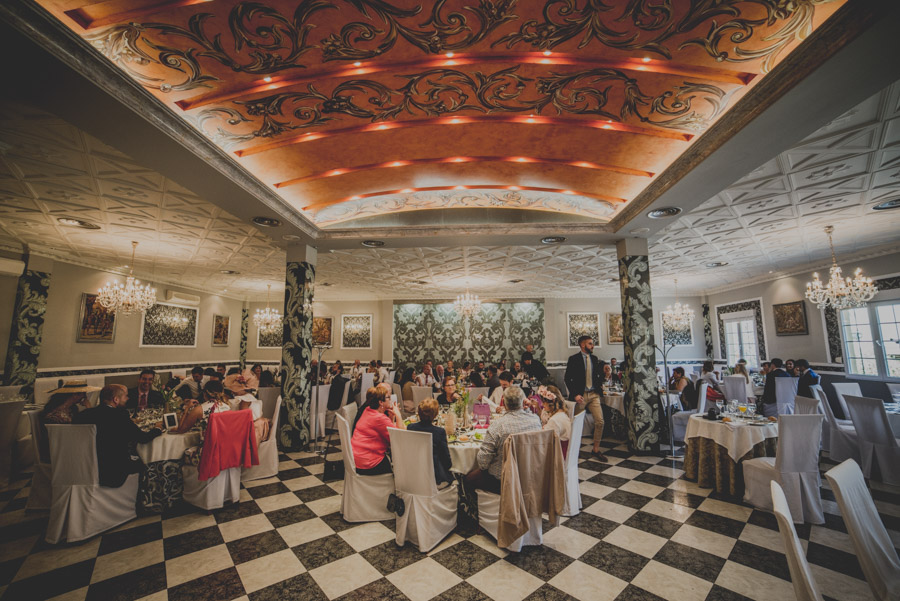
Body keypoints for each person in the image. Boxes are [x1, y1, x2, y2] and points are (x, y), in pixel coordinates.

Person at [74, 384, 161, 487]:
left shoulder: (83, 415)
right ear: (116, 399)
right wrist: (157, 429)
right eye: (125, 396)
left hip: (84, 469)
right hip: (113, 472)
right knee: (147, 464)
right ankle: (142, 500)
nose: (127, 399)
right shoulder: (120, 415)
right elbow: (142, 438)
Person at [467, 386, 540, 493]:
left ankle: (474, 508)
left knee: (468, 479)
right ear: (523, 402)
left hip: (502, 480)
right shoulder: (535, 420)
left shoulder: (498, 426)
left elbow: (483, 463)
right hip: (529, 476)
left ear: (504, 404)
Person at [564, 335, 607, 462]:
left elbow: (596, 376)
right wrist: (575, 394)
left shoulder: (594, 358)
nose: (592, 346)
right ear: (583, 345)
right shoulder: (573, 359)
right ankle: (572, 450)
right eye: (590, 343)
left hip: (593, 395)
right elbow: (568, 378)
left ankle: (595, 450)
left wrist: (605, 377)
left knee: (600, 421)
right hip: (580, 395)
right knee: (575, 423)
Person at [351, 387, 405, 475]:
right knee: (400, 467)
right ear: (381, 402)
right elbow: (400, 438)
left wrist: (391, 417)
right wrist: (398, 414)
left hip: (357, 459)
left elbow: (388, 433)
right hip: (369, 463)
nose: (391, 399)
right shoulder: (379, 418)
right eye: (388, 397)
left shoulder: (368, 410)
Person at [408, 398, 452, 487]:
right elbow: (446, 461)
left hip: (414, 473)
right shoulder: (439, 432)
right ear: (435, 415)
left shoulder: (410, 427)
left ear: (418, 413)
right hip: (434, 477)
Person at [540, 385, 572, 458]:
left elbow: (545, 442)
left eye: (544, 402)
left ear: (551, 402)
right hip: (566, 454)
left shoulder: (554, 420)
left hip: (558, 457)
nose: (542, 405)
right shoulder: (563, 414)